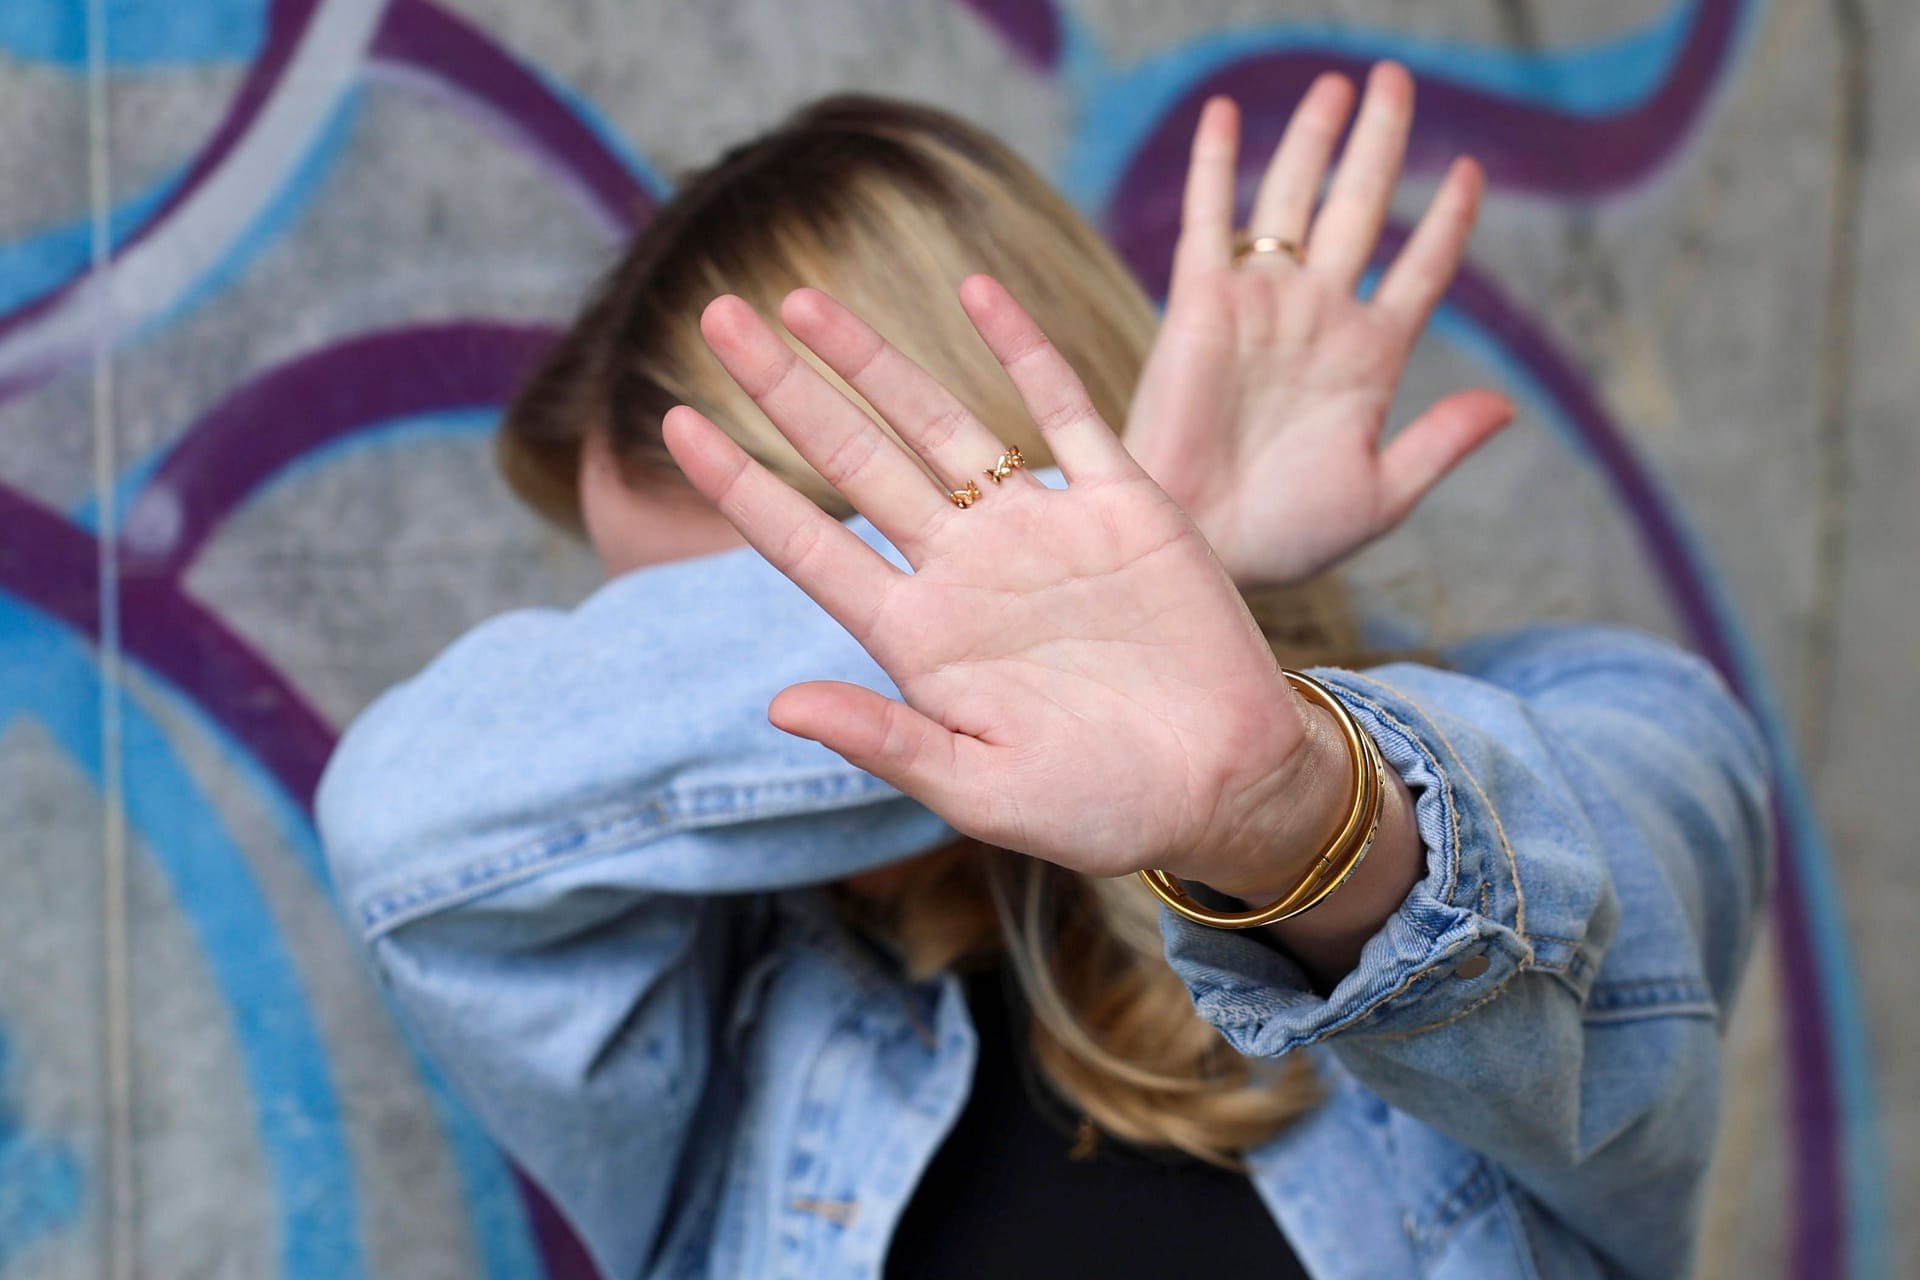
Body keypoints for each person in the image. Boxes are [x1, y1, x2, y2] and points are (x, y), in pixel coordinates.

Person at [316, 63, 1774, 1280]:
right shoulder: (735, 1007)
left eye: (782, 596)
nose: (726, 710)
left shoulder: (1606, 726)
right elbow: (416, 823)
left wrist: (1266, 800)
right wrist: (1169, 528)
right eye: (655, 648)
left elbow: (1573, 939)